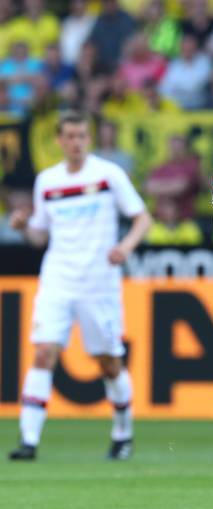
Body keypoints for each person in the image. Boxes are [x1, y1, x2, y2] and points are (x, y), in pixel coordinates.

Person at [8, 111, 152, 461]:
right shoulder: (48, 181)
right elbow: (41, 236)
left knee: (108, 362)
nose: (76, 143)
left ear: (88, 138)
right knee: (43, 352)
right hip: (57, 277)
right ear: (59, 140)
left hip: (98, 282)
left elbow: (142, 218)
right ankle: (28, 440)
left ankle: (122, 433)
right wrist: (23, 226)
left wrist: (125, 247)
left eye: (81, 136)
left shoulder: (107, 174)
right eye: (70, 136)